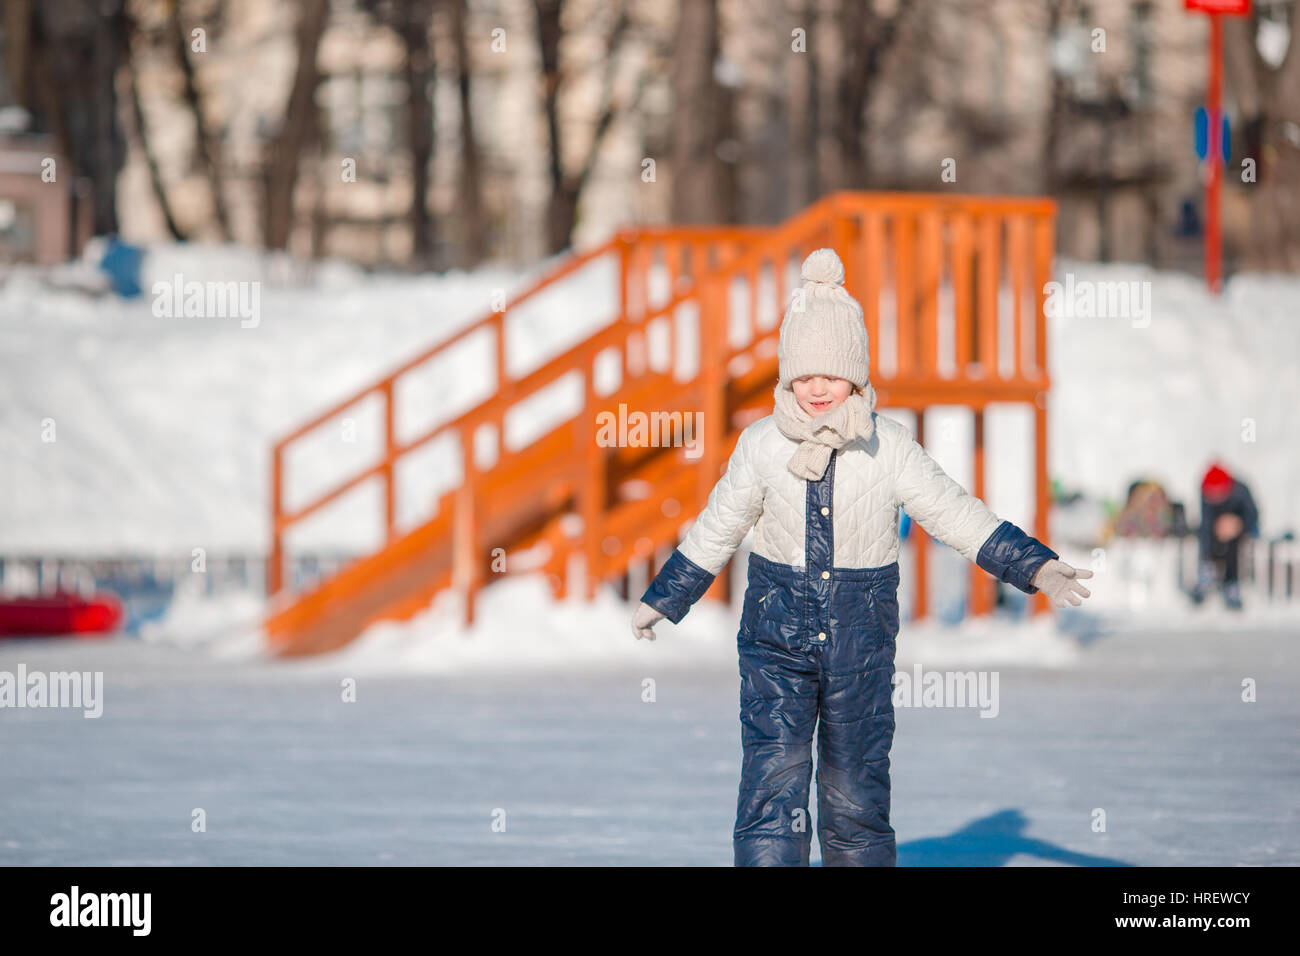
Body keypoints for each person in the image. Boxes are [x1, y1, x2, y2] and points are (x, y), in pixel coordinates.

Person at [628, 248, 1092, 867]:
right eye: (805, 374)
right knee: (773, 781)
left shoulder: (889, 446)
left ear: (857, 374)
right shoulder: (762, 446)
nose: (818, 387)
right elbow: (717, 527)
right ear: (787, 377)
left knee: (856, 790)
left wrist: (1032, 564)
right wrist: (666, 597)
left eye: (833, 372)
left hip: (861, 647)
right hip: (774, 640)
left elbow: (955, 512)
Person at [1192, 462, 1259, 610]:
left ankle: (1231, 583)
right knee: (1204, 531)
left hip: (1241, 531)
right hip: (1217, 532)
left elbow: (1253, 516)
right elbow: (1206, 520)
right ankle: (1207, 569)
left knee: (1232, 543)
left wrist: (1237, 524)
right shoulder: (1206, 495)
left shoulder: (1240, 491)